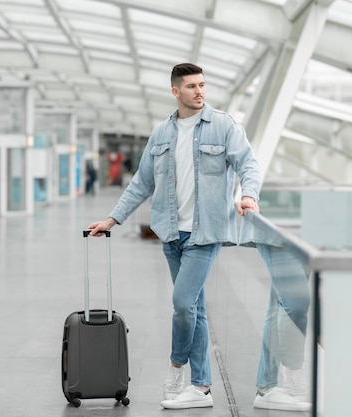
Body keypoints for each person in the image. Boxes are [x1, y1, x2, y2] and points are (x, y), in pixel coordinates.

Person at [87, 63, 261, 409]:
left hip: (205, 233)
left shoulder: (224, 125)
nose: (200, 92)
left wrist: (249, 195)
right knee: (192, 307)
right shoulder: (161, 134)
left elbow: (248, 164)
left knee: (182, 303)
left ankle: (176, 368)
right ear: (175, 91)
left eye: (202, 85)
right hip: (170, 233)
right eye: (192, 86)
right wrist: (113, 218)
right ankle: (201, 387)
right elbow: (142, 183)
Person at [253, 242, 312, 411]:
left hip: (306, 235)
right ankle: (293, 377)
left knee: (280, 304)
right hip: (278, 236)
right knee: (295, 303)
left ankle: (266, 386)